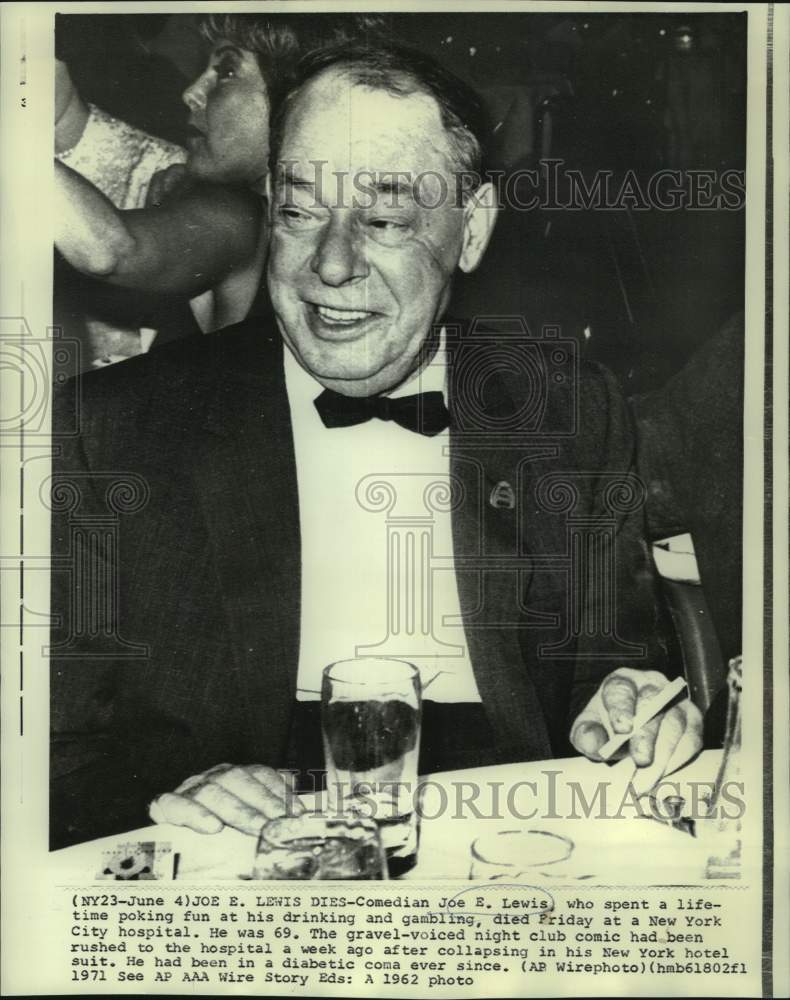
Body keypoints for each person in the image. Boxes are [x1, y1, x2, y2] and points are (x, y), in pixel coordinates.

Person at [50, 42, 702, 849]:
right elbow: (51, 753)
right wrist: (171, 798)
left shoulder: (567, 407)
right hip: (247, 846)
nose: (330, 263)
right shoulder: (112, 428)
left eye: (387, 220)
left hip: (504, 832)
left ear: (472, 230)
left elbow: (615, 667)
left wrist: (627, 704)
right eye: (297, 212)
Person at [55, 13, 384, 356]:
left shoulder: (238, 211)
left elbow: (108, 250)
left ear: (297, 101)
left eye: (226, 72)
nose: (191, 93)